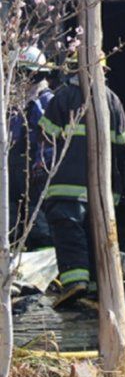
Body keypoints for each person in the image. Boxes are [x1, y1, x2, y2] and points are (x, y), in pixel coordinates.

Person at [40, 55, 125, 307]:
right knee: (97, 234)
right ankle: (95, 286)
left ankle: (75, 282)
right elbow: (123, 144)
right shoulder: (113, 100)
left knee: (68, 228)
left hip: (67, 184)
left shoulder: (63, 97)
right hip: (104, 187)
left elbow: (46, 136)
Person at [8, 46, 55, 251]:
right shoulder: (20, 104)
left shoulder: (46, 102)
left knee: (39, 228)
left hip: (35, 175)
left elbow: (49, 142)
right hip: (17, 176)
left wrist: (40, 167)